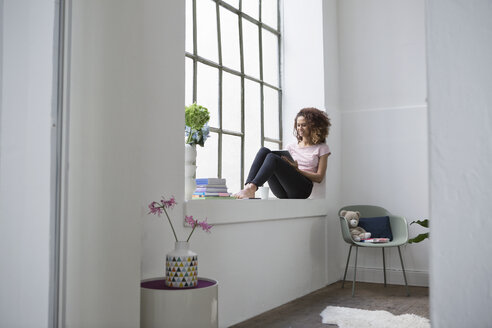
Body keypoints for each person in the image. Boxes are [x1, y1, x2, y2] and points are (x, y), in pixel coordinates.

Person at [234, 107, 331, 199]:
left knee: (272, 157)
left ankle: (251, 188)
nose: (300, 128)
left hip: (303, 189)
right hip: (282, 191)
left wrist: (297, 170)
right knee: (264, 151)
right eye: (298, 125)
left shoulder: (321, 148)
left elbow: (319, 178)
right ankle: (248, 187)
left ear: (313, 126)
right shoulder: (290, 146)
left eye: (304, 125)